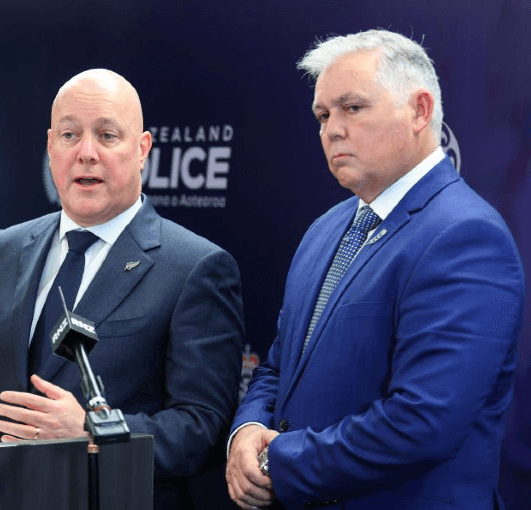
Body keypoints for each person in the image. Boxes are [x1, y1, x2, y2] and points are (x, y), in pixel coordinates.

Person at [0, 69, 245, 507]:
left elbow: (203, 429)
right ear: (51, 146)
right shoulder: (7, 247)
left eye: (107, 135)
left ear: (142, 149)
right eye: (70, 135)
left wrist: (92, 432)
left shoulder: (195, 266)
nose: (86, 153)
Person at [225, 29, 526, 510]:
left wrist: (276, 462)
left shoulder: (468, 237)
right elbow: (279, 367)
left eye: (352, 107)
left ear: (420, 111)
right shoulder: (325, 228)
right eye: (323, 115)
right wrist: (246, 431)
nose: (332, 129)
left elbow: (422, 423)